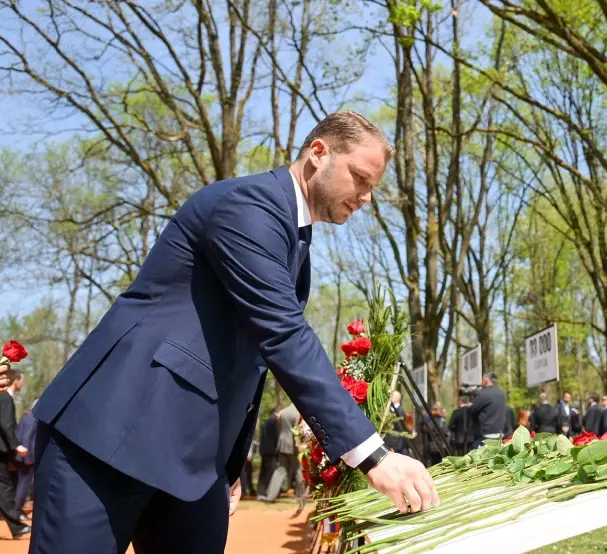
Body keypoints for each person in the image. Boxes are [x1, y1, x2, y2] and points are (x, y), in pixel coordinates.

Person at [28, 113, 438, 553]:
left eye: (372, 186)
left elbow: (246, 359)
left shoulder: (292, 236)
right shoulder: (248, 205)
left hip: (194, 460)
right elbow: (283, 334)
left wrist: (229, 459)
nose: (366, 197)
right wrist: (372, 455)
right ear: (319, 153)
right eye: (360, 178)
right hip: (110, 432)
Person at [0, 368, 29, 538]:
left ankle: (16, 526)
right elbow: (6, 424)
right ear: (14, 380)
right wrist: (16, 445)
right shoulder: (5, 397)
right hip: (1, 450)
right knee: (4, 488)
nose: (22, 384)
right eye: (21, 380)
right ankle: (16, 527)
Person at [260, 403, 304, 505]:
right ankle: (301, 497)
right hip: (293, 446)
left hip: (282, 445)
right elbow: (297, 431)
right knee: (299, 470)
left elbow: (279, 430)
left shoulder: (283, 412)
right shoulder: (297, 413)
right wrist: (300, 446)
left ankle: (270, 496)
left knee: (280, 470)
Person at [468, 373, 508, 449]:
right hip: (500, 435)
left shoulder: (483, 394)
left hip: (485, 436)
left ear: (486, 381)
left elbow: (472, 410)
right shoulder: (502, 394)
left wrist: (472, 400)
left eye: (482, 381)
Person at [257, 406, 281, 495]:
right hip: (271, 450)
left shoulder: (267, 421)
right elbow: (276, 436)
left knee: (264, 471)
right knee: (270, 471)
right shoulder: (275, 421)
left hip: (264, 450)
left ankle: (261, 491)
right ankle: (266, 491)